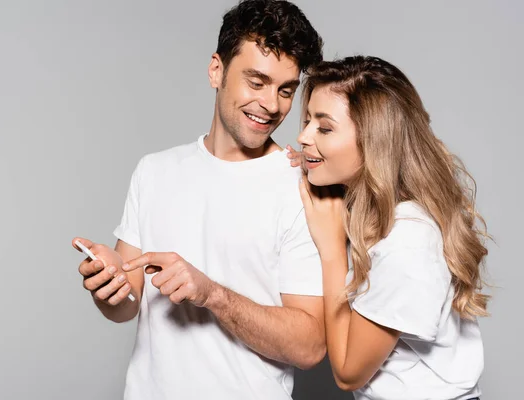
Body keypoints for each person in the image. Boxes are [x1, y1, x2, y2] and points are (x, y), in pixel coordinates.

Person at [72, 1, 327, 399]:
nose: (272, 104)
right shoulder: (153, 171)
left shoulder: (302, 187)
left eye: (285, 90)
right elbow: (128, 305)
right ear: (216, 71)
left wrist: (213, 295)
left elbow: (310, 346)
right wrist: (109, 281)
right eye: (256, 82)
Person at [289, 55, 488, 400]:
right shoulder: (382, 214)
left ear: (373, 139)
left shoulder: (407, 240)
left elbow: (349, 374)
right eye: (307, 121)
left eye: (324, 127)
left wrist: (333, 251)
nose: (304, 136)